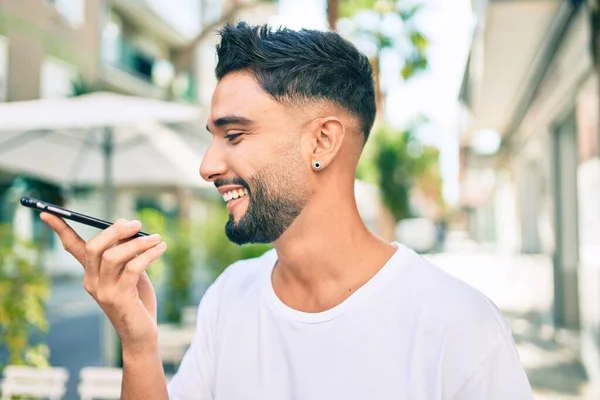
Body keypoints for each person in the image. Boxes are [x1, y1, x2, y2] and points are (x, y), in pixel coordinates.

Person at [41, 22, 534, 400]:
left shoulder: (459, 326)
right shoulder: (228, 299)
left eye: (234, 135)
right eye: (212, 138)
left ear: (322, 140)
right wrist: (139, 343)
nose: (208, 166)